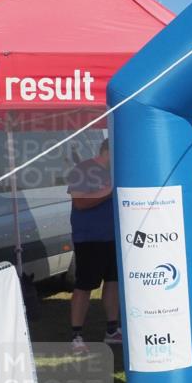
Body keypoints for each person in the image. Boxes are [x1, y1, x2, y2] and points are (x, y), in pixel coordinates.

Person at [66, 139, 120, 355]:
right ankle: (76, 335)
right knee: (85, 286)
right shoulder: (83, 169)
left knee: (113, 282)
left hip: (113, 237)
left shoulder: (115, 171)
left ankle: (112, 329)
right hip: (89, 239)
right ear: (107, 150)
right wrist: (110, 192)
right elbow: (79, 202)